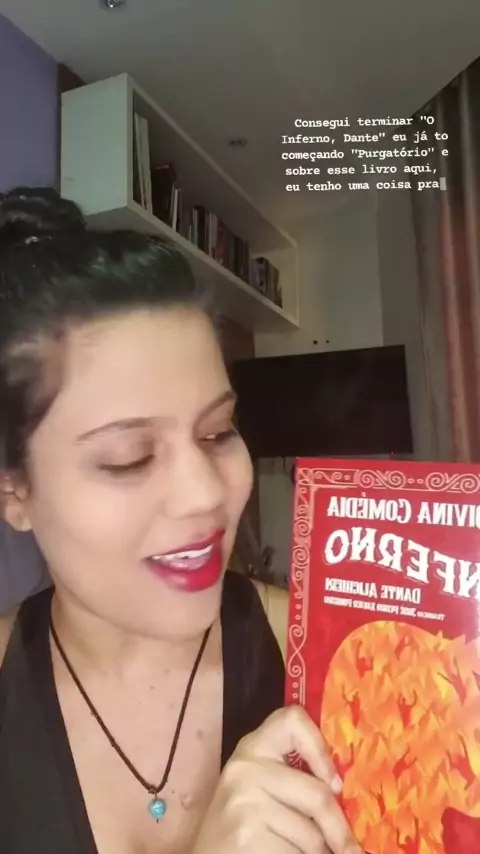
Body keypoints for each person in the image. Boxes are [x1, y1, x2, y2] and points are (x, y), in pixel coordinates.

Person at [0, 186, 363, 854]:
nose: (205, 495)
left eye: (218, 432)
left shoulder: (336, 652)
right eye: (129, 458)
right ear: (14, 490)